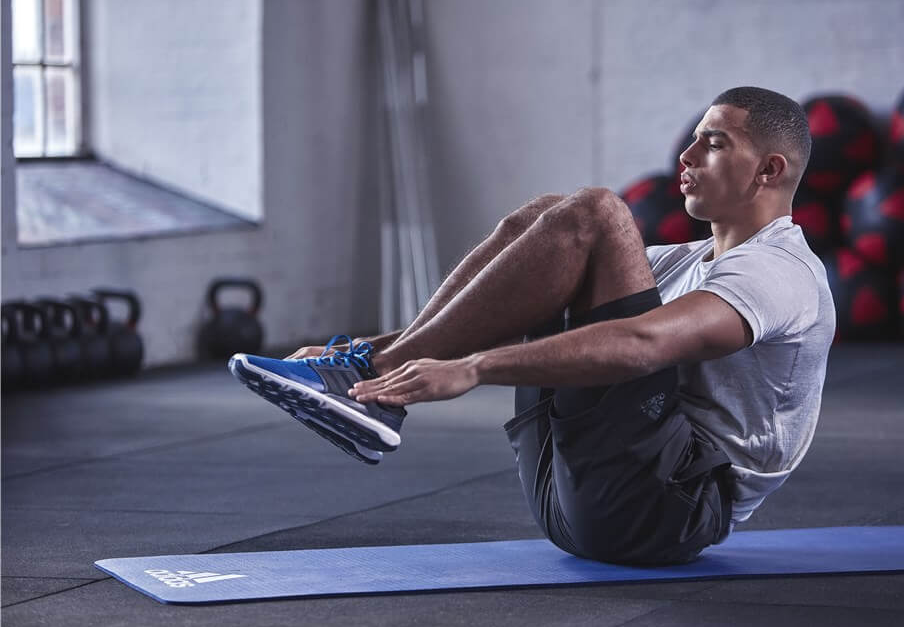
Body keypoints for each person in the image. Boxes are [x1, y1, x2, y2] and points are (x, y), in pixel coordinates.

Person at [230, 86, 836, 566]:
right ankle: (368, 375)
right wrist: (367, 346)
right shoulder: (685, 262)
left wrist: (473, 369)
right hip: (575, 492)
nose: (683, 157)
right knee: (544, 218)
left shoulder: (780, 273)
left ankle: (372, 377)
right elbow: (518, 295)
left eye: (713, 144)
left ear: (769, 170)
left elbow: (642, 343)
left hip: (666, 508)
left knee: (597, 212)